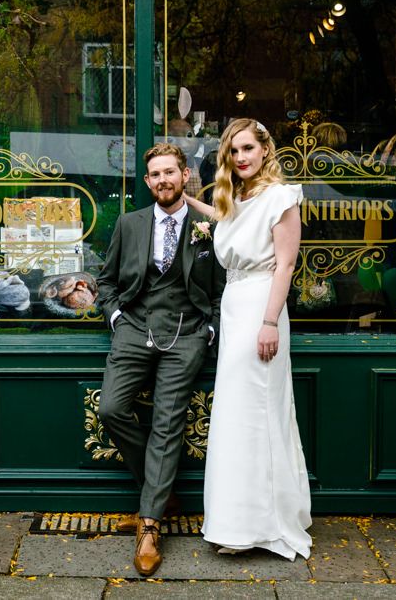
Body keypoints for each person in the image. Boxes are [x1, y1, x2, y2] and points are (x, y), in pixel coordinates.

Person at [183, 117, 312, 561]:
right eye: (232, 152)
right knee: (236, 412)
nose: (240, 158)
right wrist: (182, 199)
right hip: (237, 304)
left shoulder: (282, 197)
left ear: (265, 149)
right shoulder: (238, 196)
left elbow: (285, 266)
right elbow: (224, 219)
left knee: (258, 411)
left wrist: (271, 322)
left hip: (262, 306)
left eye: (247, 149)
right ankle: (234, 521)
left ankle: (261, 524)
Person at [97, 142, 226, 576]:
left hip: (187, 333)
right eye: (155, 174)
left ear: (185, 175)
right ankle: (159, 489)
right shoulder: (130, 224)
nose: (162, 180)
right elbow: (106, 279)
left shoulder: (205, 225)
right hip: (135, 329)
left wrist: (211, 328)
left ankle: (149, 526)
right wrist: (115, 316)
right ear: (148, 180)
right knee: (111, 408)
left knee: (168, 422)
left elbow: (225, 283)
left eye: (170, 172)